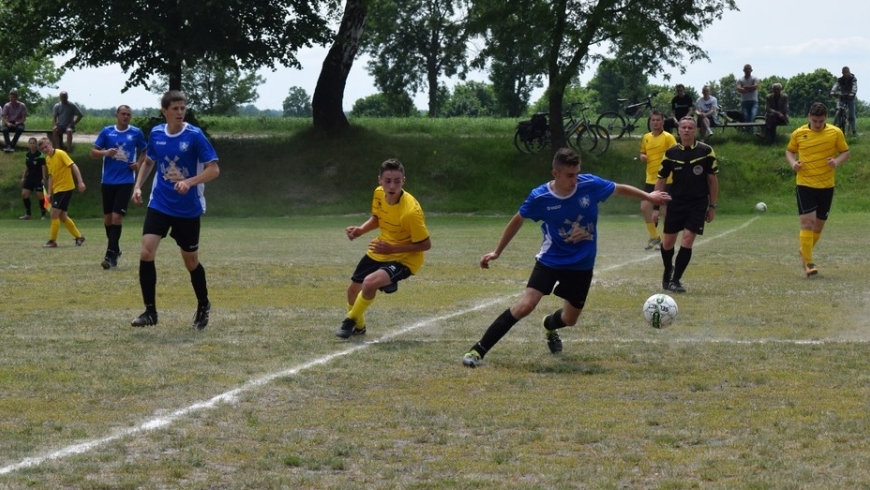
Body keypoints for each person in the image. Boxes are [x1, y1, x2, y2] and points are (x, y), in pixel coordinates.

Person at [461, 148, 670, 368]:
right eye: (570, 175)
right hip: (550, 260)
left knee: (570, 320)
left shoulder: (590, 184)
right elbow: (517, 220)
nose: (575, 180)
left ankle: (549, 325)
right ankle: (478, 350)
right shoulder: (540, 197)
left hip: (582, 265)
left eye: (577, 174)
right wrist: (497, 251)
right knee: (526, 305)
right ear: (556, 174)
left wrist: (649, 196)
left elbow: (619, 189)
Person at [130, 90, 220, 329]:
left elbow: (214, 170)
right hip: (159, 203)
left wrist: (189, 182)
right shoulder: (157, 134)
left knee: (190, 261)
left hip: (187, 208)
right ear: (165, 111)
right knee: (146, 252)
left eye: (183, 108)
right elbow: (149, 161)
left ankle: (203, 304)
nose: (180, 112)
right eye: (175, 108)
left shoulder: (194, 136)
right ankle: (150, 313)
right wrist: (138, 186)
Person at [335, 158, 432, 339]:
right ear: (380, 180)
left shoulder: (411, 211)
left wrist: (392, 249)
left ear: (404, 180)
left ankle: (350, 320)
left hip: (405, 258)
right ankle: (360, 327)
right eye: (387, 181)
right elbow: (378, 218)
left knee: (369, 283)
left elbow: (426, 244)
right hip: (382, 248)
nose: (392, 186)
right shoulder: (379, 193)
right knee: (352, 291)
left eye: (397, 181)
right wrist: (360, 230)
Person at [786, 102, 850, 277]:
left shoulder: (835, 132)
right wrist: (793, 164)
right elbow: (789, 151)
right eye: (814, 121)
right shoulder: (798, 133)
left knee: (818, 227)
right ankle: (808, 263)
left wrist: (836, 162)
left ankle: (804, 250)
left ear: (826, 118)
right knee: (808, 222)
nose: (817, 124)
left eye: (821, 121)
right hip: (805, 184)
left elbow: (845, 152)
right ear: (809, 117)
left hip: (826, 185)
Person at [656, 117, 719, 294]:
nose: (686, 130)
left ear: (696, 130)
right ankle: (668, 269)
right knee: (668, 243)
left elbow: (713, 180)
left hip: (698, 203)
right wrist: (657, 205)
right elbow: (660, 180)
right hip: (675, 202)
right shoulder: (671, 153)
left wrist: (712, 206)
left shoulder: (706, 151)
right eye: (683, 127)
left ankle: (676, 279)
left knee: (688, 238)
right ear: (678, 130)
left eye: (690, 127)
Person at [90, 105, 147, 269]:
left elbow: (145, 151)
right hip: (107, 181)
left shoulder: (135, 132)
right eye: (123, 114)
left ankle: (110, 256)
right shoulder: (107, 131)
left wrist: (138, 163)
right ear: (117, 115)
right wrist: (106, 153)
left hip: (126, 181)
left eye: (129, 114)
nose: (126, 116)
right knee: (108, 219)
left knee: (116, 218)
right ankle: (115, 248)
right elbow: (93, 153)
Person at [639, 110, 676, 250]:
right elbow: (643, 152)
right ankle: (654, 237)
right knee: (644, 207)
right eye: (653, 120)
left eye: (658, 120)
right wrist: (642, 156)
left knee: (665, 209)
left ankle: (666, 241)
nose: (655, 122)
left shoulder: (668, 137)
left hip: (667, 179)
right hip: (650, 178)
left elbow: (675, 154)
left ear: (663, 121)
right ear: (650, 122)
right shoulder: (646, 137)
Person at [39, 137, 86, 248]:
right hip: (57, 189)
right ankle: (79, 237)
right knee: (63, 216)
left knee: (54, 214)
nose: (45, 150)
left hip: (66, 188)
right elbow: (51, 177)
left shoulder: (60, 153)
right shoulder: (47, 159)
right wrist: (49, 193)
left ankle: (52, 241)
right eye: (42, 149)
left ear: (50, 144)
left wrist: (80, 182)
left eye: (46, 146)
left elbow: (73, 165)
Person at [19, 137, 47, 220]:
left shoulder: (40, 155)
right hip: (30, 177)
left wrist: (43, 177)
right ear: (28, 144)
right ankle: (28, 214)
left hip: (38, 177)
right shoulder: (28, 155)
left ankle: (43, 215)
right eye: (30, 143)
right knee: (24, 194)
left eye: (33, 143)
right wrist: (23, 177)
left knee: (40, 196)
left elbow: (43, 166)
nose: (32, 145)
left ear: (36, 144)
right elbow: (27, 166)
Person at [830, 66, 858, 136]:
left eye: (847, 72)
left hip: (850, 97)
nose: (845, 73)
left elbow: (854, 86)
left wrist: (852, 93)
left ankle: (854, 131)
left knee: (851, 115)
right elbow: (836, 85)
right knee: (838, 109)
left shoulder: (853, 79)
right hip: (842, 96)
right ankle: (836, 125)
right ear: (842, 73)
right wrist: (833, 91)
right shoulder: (840, 79)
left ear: (849, 72)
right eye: (844, 72)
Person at [736, 64, 760, 130]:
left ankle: (750, 131)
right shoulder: (740, 80)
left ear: (751, 70)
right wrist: (750, 88)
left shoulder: (755, 78)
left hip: (754, 101)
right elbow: (739, 89)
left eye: (748, 69)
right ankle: (747, 131)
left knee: (752, 115)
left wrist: (744, 87)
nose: (747, 70)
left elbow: (755, 87)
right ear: (743, 70)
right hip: (744, 101)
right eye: (746, 69)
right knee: (745, 117)